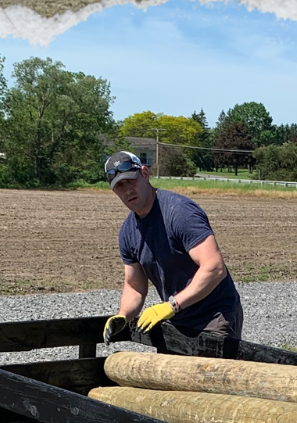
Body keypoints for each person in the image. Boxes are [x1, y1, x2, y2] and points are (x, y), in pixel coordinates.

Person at [96, 151, 247, 356]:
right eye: (120, 186)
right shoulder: (128, 232)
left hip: (214, 316)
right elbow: (134, 286)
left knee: (207, 383)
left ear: (145, 174)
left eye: (131, 180)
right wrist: (123, 315)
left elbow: (214, 268)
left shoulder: (179, 212)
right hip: (176, 319)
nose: (128, 190)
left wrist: (172, 305)